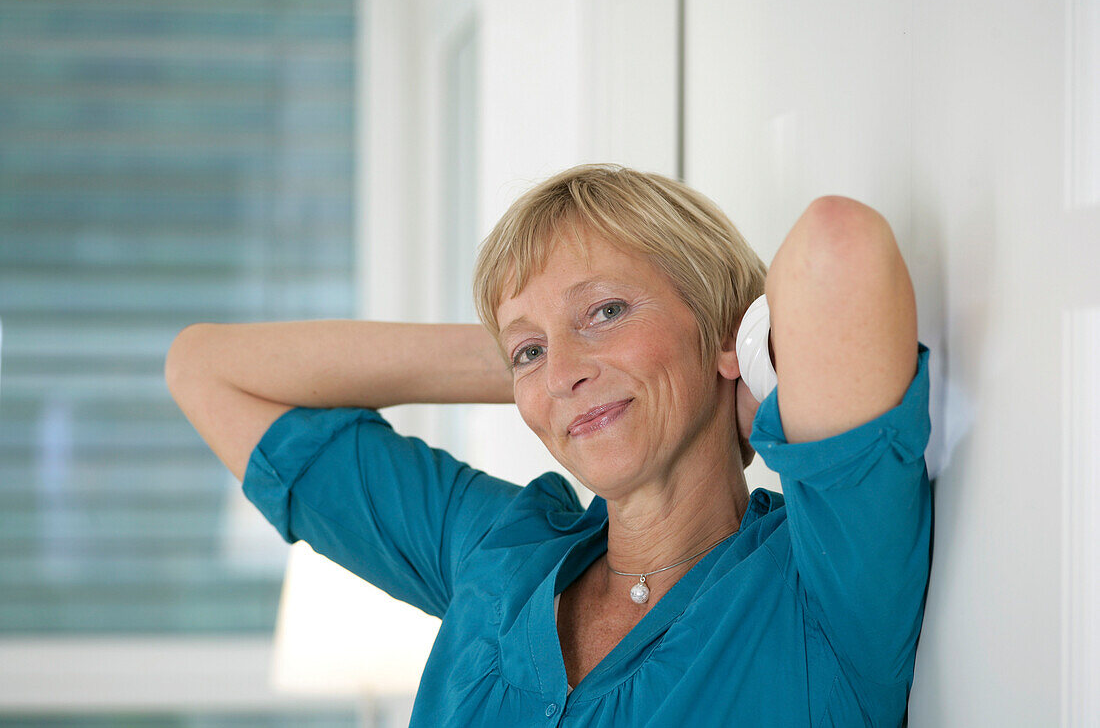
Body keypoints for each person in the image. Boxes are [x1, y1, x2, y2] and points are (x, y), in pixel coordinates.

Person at [166, 164, 931, 726]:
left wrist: (746, 353)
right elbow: (205, 371)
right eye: (527, 351)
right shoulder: (498, 554)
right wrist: (543, 368)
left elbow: (839, 249)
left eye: (604, 309)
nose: (561, 369)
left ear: (728, 331)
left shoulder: (819, 588)